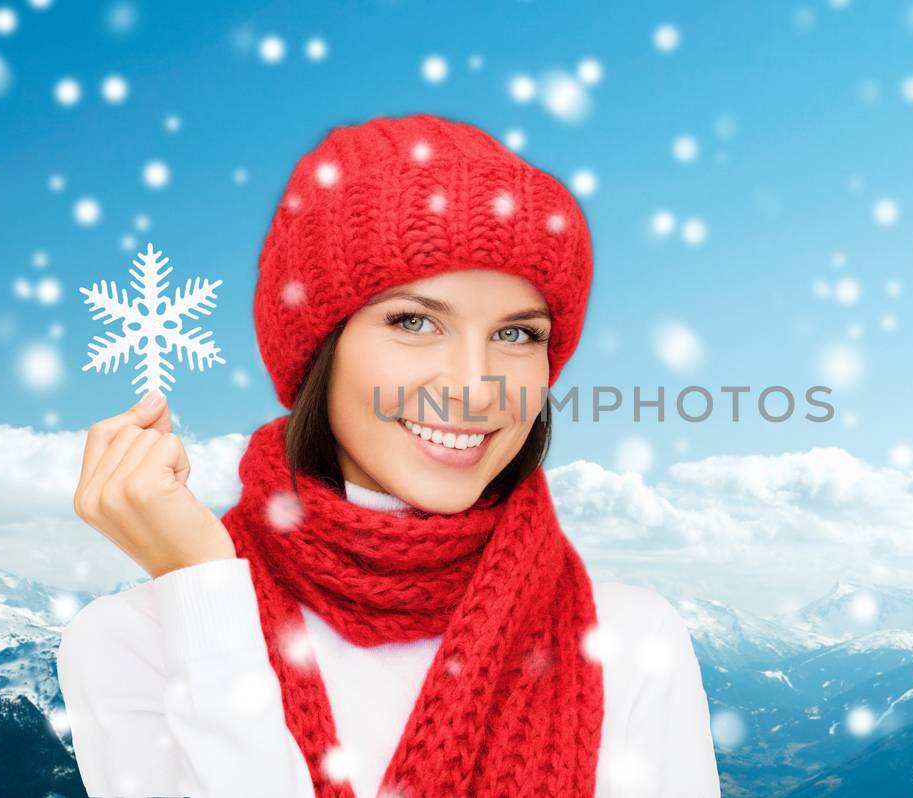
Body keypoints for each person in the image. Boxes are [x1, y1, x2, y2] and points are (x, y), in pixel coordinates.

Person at [56, 113, 721, 798]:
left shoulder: (632, 642)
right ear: (320, 348)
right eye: (414, 321)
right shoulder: (139, 641)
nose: (473, 385)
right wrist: (199, 589)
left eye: (518, 334)